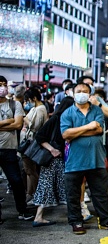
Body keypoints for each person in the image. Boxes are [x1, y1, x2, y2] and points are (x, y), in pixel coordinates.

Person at [60, 82, 108, 234]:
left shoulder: (97, 110)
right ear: (73, 94)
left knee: (100, 192)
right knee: (73, 194)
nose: (82, 93)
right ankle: (76, 221)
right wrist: (88, 127)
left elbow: (99, 130)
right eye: (79, 91)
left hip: (96, 159)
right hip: (74, 161)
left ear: (90, 95)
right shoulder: (67, 113)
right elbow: (66, 135)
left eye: (85, 91)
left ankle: (106, 219)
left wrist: (76, 132)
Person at [31, 96, 74, 227]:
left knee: (61, 186)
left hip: (61, 159)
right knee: (48, 186)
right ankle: (38, 217)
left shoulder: (66, 120)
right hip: (52, 160)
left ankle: (75, 215)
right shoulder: (55, 119)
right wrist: (52, 150)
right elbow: (39, 137)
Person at [0, 75, 33, 221]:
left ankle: (23, 210)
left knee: (16, 181)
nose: (2, 87)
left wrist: (12, 122)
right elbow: (13, 123)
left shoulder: (15, 105)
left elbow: (18, 125)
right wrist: (8, 121)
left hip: (9, 149)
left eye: (4, 84)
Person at [22, 88, 49, 202]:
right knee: (29, 170)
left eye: (28, 100)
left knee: (30, 170)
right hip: (31, 143)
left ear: (34, 98)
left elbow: (35, 127)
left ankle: (38, 195)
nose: (27, 103)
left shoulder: (40, 109)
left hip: (31, 143)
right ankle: (31, 193)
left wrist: (24, 119)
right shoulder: (38, 108)